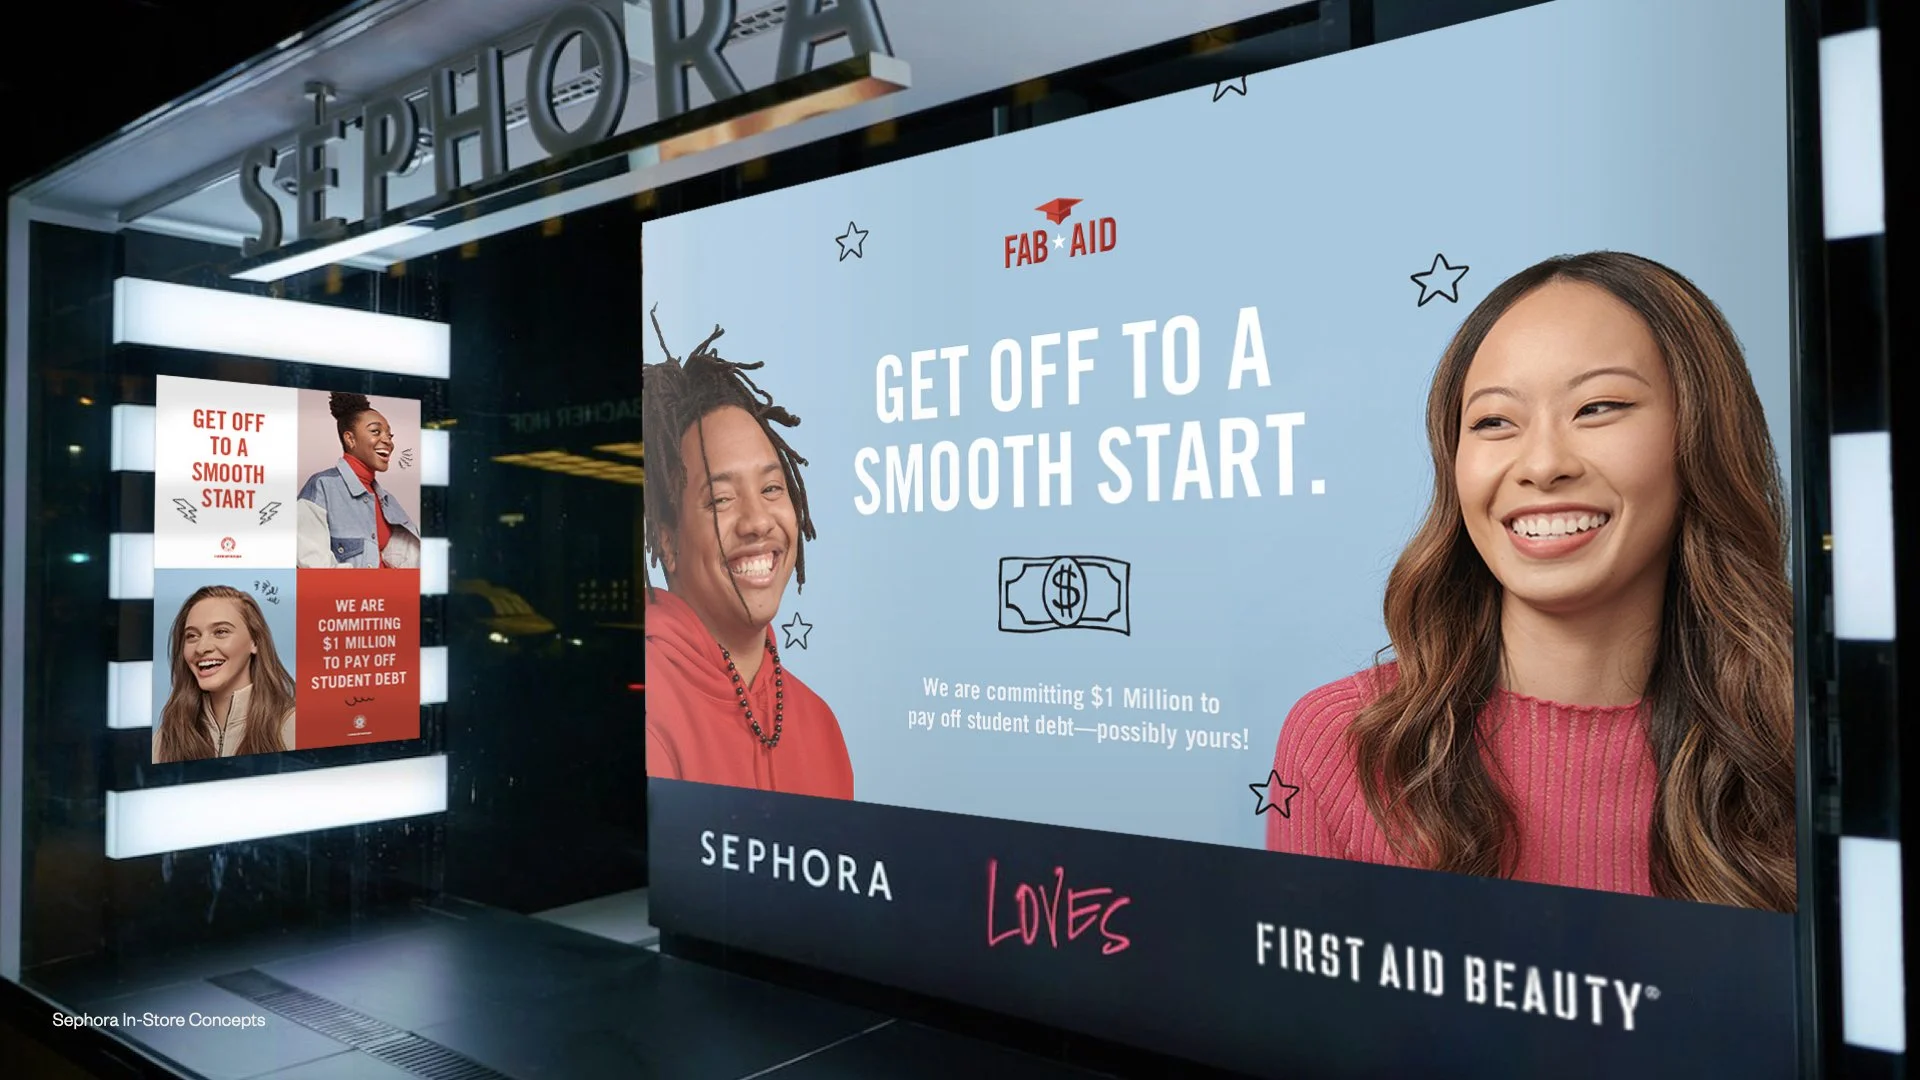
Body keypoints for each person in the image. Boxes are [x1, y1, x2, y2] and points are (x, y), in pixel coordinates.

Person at [1266, 251, 1796, 912]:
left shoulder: (1808, 745)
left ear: (1701, 437)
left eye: (1599, 407)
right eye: (1494, 422)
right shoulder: (1344, 745)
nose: (1542, 465)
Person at [642, 310, 854, 800]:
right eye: (721, 499)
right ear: (668, 544)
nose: (758, 521)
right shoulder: (650, 707)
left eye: (772, 488)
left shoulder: (819, 723)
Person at [154, 585, 297, 762]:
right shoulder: (165, 739)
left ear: (255, 642)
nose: (202, 648)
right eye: (192, 636)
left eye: (221, 632)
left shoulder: (294, 727)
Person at [297, 392, 421, 569]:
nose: (388, 441)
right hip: (349, 597)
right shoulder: (321, 487)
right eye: (375, 431)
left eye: (389, 435)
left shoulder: (388, 501)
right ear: (350, 439)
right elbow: (315, 568)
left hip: (392, 596)